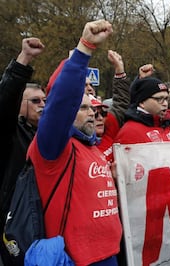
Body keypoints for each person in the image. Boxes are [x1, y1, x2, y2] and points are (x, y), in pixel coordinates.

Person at [27, 20, 122, 265]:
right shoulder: (53, 146)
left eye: (92, 107)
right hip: (76, 259)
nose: (92, 113)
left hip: (108, 253)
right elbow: (61, 105)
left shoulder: (91, 145)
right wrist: (84, 50)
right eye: (81, 108)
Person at [0, 37, 45, 264]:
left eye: (44, 100)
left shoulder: (47, 136)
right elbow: (5, 99)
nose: (42, 105)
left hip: (44, 222)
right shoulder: (12, 133)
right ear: (20, 104)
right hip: (14, 226)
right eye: (35, 101)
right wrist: (24, 59)